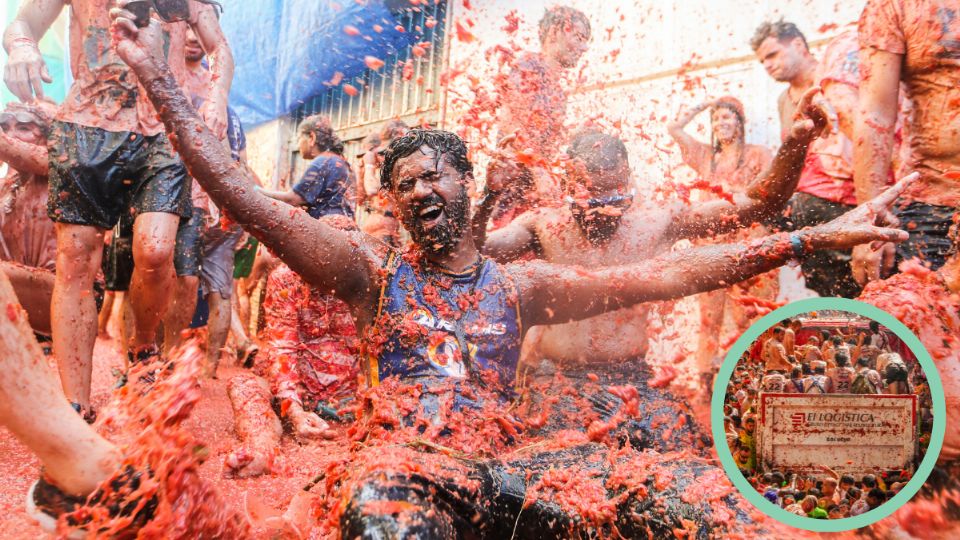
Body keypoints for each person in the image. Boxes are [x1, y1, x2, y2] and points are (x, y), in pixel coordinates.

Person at [110, 8, 916, 531]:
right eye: (407, 183)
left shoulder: (520, 286)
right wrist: (159, 82)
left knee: (683, 508)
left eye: (438, 175)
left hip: (509, 461)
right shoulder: (368, 274)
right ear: (390, 202)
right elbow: (245, 196)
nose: (425, 189)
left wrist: (813, 239)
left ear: (469, 185)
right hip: (407, 466)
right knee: (382, 522)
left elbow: (674, 274)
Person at [476, 88, 834, 413]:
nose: (603, 215)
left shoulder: (656, 221)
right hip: (553, 379)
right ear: (568, 184)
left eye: (614, 201)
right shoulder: (543, 223)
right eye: (588, 202)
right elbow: (477, 253)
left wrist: (796, 143)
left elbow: (758, 204)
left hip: (631, 379)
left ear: (628, 180)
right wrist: (489, 195)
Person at [2, 0, 233, 417]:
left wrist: (217, 97)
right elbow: (23, 21)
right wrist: (22, 47)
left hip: (162, 128)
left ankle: (142, 345)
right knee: (75, 262)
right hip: (85, 129)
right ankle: (75, 401)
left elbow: (219, 48)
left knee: (155, 250)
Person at [751, 20, 863, 298]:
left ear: (799, 45)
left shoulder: (834, 78)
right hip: (808, 209)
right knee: (829, 297)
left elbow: (868, 137)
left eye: (773, 54)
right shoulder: (783, 100)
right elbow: (793, 157)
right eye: (763, 60)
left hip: (848, 202)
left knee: (867, 294)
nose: (767, 64)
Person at [668, 96, 778, 376]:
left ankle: (750, 378)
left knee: (750, 316)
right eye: (716, 119)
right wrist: (701, 106)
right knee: (709, 319)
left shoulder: (758, 154)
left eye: (727, 117)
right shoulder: (705, 156)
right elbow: (674, 129)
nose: (721, 123)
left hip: (750, 244)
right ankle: (704, 385)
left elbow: (772, 194)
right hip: (711, 248)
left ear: (740, 123)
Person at [853, 0, 960, 283]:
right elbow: (875, 115)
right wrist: (869, 226)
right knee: (929, 319)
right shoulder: (894, 5)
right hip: (933, 204)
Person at [490, 6, 591, 225]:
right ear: (555, 32)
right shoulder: (529, 64)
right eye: (579, 37)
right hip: (511, 193)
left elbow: (543, 141)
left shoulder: (558, 90)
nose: (584, 47)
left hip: (536, 196)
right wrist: (539, 172)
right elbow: (511, 124)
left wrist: (577, 135)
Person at [0, 101, 57, 337]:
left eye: (23, 128)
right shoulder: (7, 185)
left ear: (46, 138)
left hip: (61, 297)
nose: (10, 136)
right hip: (16, 289)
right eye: (5, 127)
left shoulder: (59, 175)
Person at [258, 115, 355, 221]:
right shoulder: (344, 164)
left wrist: (256, 190)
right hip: (346, 228)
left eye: (299, 138)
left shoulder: (322, 162)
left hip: (328, 229)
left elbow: (292, 199)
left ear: (312, 138)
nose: (298, 144)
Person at [357, 120, 406, 245]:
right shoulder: (375, 171)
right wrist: (363, 170)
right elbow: (363, 197)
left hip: (386, 229)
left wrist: (368, 166)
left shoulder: (395, 167)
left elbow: (369, 193)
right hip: (377, 228)